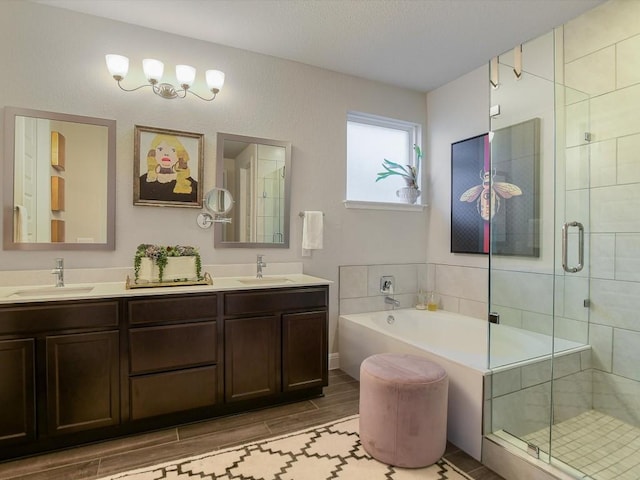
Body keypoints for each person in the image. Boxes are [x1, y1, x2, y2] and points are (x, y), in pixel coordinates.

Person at [139, 133, 198, 203]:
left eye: (173, 150)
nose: (166, 154)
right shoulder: (142, 181)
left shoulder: (191, 184)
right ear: (153, 153)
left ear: (179, 156)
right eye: (160, 149)